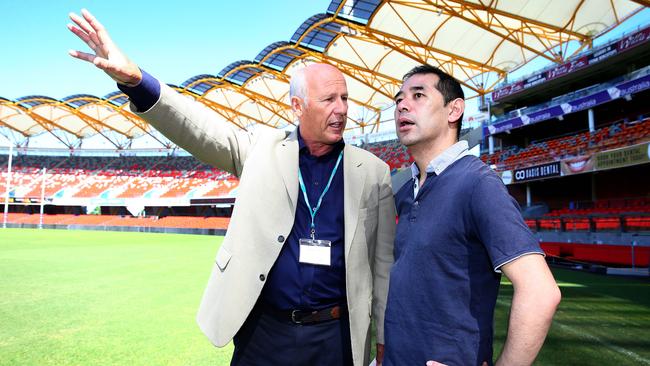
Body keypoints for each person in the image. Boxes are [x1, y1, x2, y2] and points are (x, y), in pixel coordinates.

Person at [67, 9, 395, 366]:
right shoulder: (261, 149)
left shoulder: (373, 172)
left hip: (334, 339)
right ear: (298, 106)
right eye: (329, 99)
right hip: (264, 333)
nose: (342, 109)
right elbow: (200, 128)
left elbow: (382, 266)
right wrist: (137, 81)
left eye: (345, 99)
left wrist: (383, 338)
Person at [383, 65, 561, 366]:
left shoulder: (478, 184)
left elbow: (541, 292)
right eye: (399, 98)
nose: (402, 104)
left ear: (454, 110)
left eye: (418, 95)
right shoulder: (406, 192)